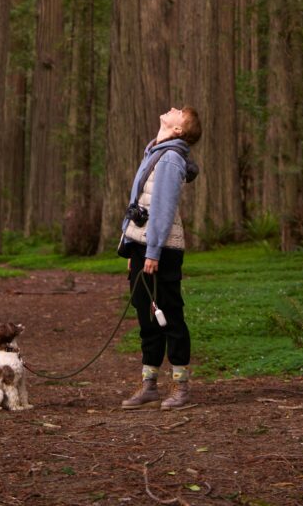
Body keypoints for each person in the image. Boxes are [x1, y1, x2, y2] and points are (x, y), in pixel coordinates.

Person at [117, 105, 202, 410]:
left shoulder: (170, 158)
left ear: (178, 130)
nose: (172, 108)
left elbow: (163, 209)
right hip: (144, 247)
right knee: (146, 317)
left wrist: (152, 251)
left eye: (179, 111)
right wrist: (131, 247)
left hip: (161, 250)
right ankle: (149, 385)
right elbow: (139, 202)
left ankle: (180, 387)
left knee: (170, 316)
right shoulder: (156, 151)